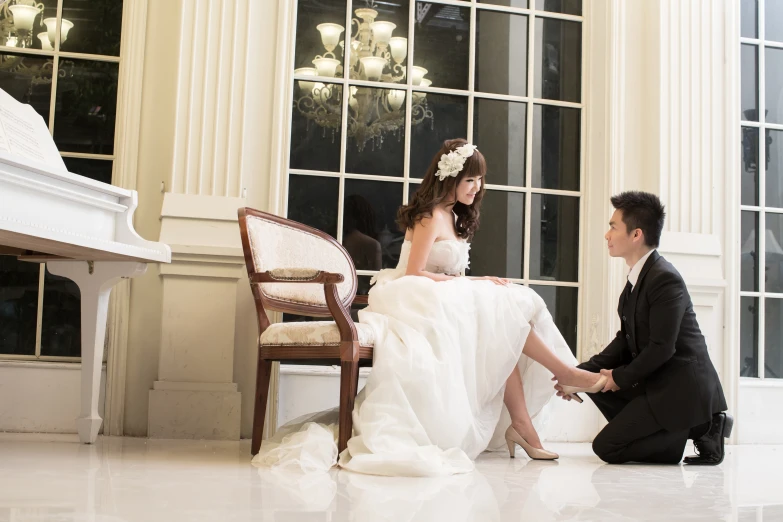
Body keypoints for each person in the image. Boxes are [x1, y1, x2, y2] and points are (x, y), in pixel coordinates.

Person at [254, 139, 603, 476]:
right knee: (501, 308)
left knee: (505, 315)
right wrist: (472, 284)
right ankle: (560, 378)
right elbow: (414, 271)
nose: (477, 187)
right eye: (470, 179)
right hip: (410, 292)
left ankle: (526, 421)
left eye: (480, 180)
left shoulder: (456, 217)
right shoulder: (428, 216)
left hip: (439, 293)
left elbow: (453, 274)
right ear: (449, 178)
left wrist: (475, 282)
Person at [556, 191, 731, 465]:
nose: (607, 235)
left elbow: (662, 348)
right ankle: (672, 430)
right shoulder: (637, 280)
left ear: (636, 235)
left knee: (606, 448)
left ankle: (700, 427)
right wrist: (578, 375)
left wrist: (617, 377)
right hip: (656, 380)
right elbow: (624, 342)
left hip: (680, 388)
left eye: (613, 227)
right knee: (594, 384)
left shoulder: (665, 279)